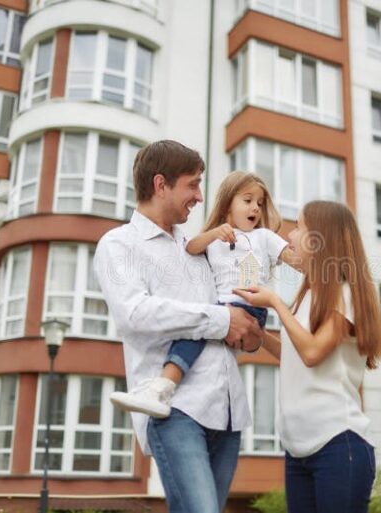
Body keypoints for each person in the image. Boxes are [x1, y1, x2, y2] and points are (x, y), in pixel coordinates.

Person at [93, 140, 263, 513]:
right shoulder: (119, 245)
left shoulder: (199, 248)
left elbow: (233, 320)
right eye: (193, 184)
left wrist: (250, 333)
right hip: (176, 411)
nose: (200, 196)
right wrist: (221, 320)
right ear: (160, 185)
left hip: (228, 411)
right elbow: (134, 313)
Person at [234, 200, 381, 513]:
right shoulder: (307, 297)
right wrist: (259, 336)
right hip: (297, 449)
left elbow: (313, 353)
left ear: (321, 238)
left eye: (300, 226)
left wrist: (275, 303)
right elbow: (294, 355)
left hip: (337, 444)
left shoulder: (345, 294)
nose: (291, 235)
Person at [110, 171, 299, 417]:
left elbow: (296, 261)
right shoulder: (214, 239)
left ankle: (161, 386)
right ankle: (163, 389)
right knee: (197, 330)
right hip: (221, 310)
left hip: (250, 308)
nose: (256, 208)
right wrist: (215, 233)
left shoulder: (263, 237)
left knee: (199, 330)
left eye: (260, 203)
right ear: (227, 204)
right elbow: (190, 248)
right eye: (248, 200)